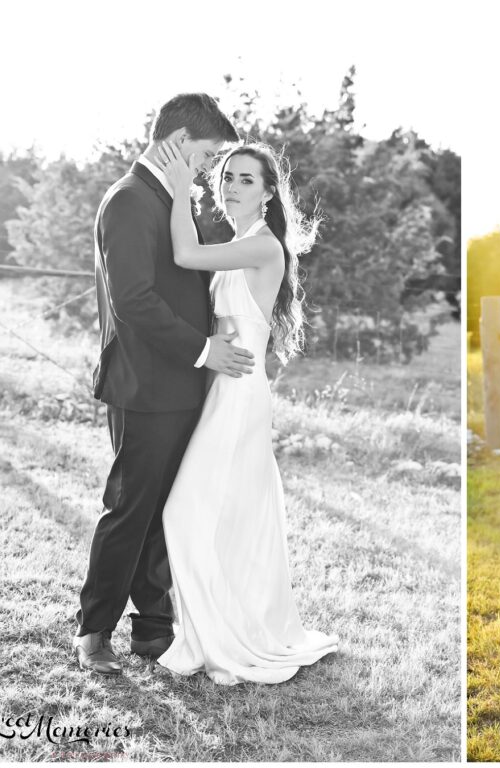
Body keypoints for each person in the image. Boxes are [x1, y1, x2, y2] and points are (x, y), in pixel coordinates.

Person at [153, 140, 338, 684]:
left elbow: (185, 255)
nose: (231, 186)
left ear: (268, 192)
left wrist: (181, 184)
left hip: (238, 397)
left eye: (246, 180)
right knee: (225, 518)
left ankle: (226, 639)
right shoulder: (240, 242)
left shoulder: (262, 246)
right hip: (221, 389)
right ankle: (218, 630)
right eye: (227, 176)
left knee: (184, 513)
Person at [75, 93, 246, 676]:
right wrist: (204, 349)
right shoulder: (127, 200)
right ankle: (94, 629)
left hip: (183, 384)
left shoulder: (170, 198)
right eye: (204, 155)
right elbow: (133, 301)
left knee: (168, 509)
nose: (206, 169)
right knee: (130, 507)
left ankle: (153, 628)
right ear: (175, 139)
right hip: (145, 387)